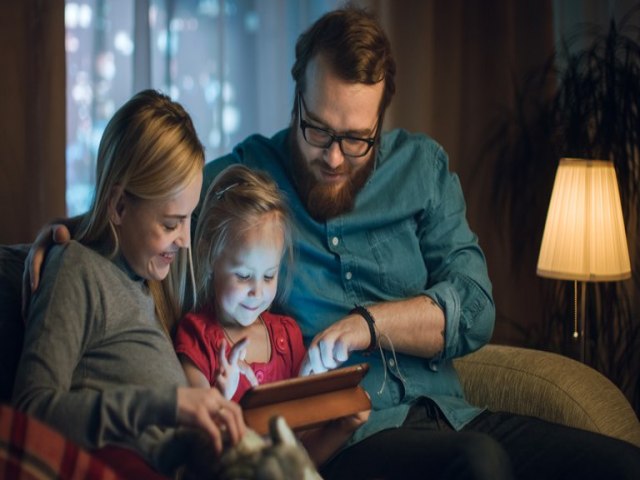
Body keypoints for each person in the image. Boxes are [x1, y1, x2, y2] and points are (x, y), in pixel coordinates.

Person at [25, 7, 640, 480]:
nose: (334, 157)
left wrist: (364, 325)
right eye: (316, 129)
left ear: (381, 122)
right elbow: (145, 198)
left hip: (453, 411)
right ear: (296, 97)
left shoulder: (422, 168)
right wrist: (63, 236)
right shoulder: (245, 178)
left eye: (356, 139)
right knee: (477, 466)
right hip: (352, 436)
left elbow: (475, 306)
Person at [12, 89, 246, 478]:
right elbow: (29, 413)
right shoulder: (78, 270)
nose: (185, 239)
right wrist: (168, 405)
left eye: (189, 218)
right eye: (171, 224)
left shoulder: (150, 282)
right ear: (119, 206)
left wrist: (208, 414)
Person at [174, 163, 369, 466]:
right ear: (210, 256)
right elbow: (201, 451)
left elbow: (300, 458)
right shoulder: (196, 337)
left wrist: (341, 426)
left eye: (268, 276)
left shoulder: (287, 337)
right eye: (243, 275)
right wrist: (221, 398)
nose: (257, 291)